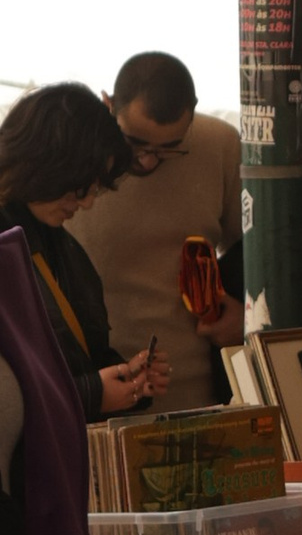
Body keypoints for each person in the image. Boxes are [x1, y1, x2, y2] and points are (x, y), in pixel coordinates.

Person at [70, 52, 245, 413]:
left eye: (169, 148)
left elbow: (257, 254)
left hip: (204, 399)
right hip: (97, 399)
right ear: (107, 106)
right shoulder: (70, 160)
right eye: (134, 143)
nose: (148, 160)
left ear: (192, 115)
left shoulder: (221, 145)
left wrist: (245, 318)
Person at [0, 84, 169, 422]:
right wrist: (92, 394)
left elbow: (78, 356)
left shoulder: (58, 242)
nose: (87, 203)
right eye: (80, 188)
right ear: (46, 164)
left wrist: (126, 379)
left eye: (93, 190)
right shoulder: (17, 239)